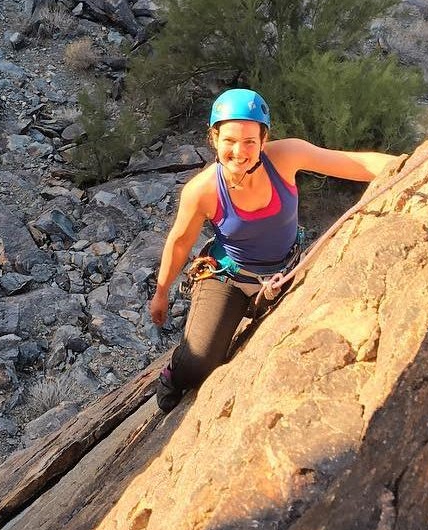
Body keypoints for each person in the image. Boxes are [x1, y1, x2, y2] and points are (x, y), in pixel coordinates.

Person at [150, 88, 402, 412]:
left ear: (264, 139)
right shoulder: (203, 190)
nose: (239, 152)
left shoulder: (286, 157)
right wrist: (161, 292)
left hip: (285, 269)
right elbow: (180, 241)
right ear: (214, 138)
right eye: (229, 140)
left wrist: (404, 164)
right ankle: (173, 374)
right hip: (230, 277)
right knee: (200, 363)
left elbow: (351, 162)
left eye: (249, 142)